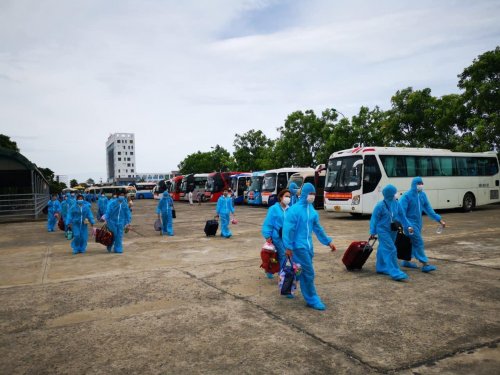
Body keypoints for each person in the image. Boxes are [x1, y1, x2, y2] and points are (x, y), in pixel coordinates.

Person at [283, 183, 336, 310]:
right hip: (298, 247)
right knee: (309, 273)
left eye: (313, 193)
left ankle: (288, 287)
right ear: (304, 194)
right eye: (310, 193)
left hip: (308, 247)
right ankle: (312, 299)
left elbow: (318, 229)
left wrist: (328, 241)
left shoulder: (312, 212)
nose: (312, 196)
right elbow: (287, 230)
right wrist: (288, 247)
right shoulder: (294, 210)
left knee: (300, 270)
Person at [399, 177, 445, 272]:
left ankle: (406, 261)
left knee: (411, 243)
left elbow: (429, 209)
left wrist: (439, 220)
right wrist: (407, 225)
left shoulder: (422, 195)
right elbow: (401, 213)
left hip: (418, 223)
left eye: (421, 183)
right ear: (414, 184)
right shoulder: (406, 196)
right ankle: (425, 264)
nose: (421, 185)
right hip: (410, 224)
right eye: (418, 183)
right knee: (419, 242)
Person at [369, 184, 414, 281]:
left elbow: (402, 216)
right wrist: (373, 231)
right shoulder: (380, 206)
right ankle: (394, 271)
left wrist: (408, 226)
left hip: (393, 229)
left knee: (382, 248)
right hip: (383, 230)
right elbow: (374, 219)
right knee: (391, 249)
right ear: (390, 194)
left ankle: (381, 267)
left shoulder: (396, 204)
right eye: (395, 193)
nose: (396, 194)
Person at [261, 189, 291, 279]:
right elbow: (268, 223)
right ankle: (282, 275)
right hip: (277, 237)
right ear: (281, 197)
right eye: (286, 196)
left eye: (289, 196)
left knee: (276, 255)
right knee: (283, 255)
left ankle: (270, 269)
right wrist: (267, 235)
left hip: (287, 237)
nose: (288, 198)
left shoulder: (290, 209)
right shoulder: (274, 209)